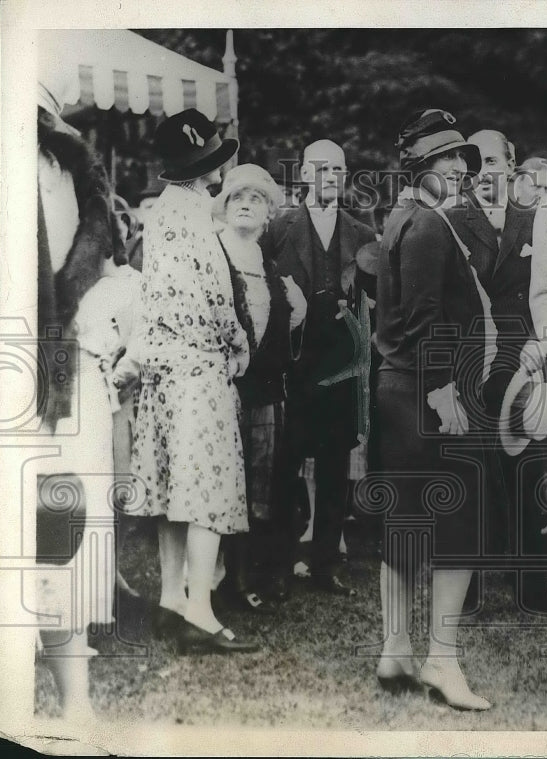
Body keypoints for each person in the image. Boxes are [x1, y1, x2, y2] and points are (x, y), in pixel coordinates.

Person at [123, 108, 258, 653]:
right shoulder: (200, 214)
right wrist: (238, 342)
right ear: (204, 169)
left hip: (161, 370)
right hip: (199, 368)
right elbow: (217, 293)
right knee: (206, 488)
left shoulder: (158, 214)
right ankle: (199, 609)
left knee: (171, 489)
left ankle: (171, 600)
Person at [374, 108, 493, 711]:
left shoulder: (404, 217)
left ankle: (395, 650)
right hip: (428, 392)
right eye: (445, 159)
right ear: (420, 166)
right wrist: (445, 394)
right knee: (456, 528)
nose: (458, 169)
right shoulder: (425, 226)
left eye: (461, 160)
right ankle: (442, 662)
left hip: (400, 391)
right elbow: (424, 318)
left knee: (403, 525)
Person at [34, 69, 122, 719]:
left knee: (65, 531)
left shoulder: (78, 180)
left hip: (69, 377)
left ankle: (76, 702)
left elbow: (101, 276)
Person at [263, 139, 378, 597]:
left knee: (335, 469)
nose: (331, 176)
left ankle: (327, 562)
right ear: (305, 174)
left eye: (338, 169)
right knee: (286, 466)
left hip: (342, 367)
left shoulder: (361, 232)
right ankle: (280, 559)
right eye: (321, 168)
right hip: (294, 365)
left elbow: (375, 299)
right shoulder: (280, 227)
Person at [463, 128, 547, 613]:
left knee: (526, 470)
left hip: (522, 364)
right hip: (471, 365)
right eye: (476, 162)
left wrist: (536, 340)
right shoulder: (452, 221)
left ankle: (532, 584)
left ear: (511, 164)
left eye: (494, 161)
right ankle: (467, 587)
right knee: (472, 474)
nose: (486, 171)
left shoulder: (536, 219)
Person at [212, 164, 307, 612]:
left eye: (255, 198)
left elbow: (280, 330)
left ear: (269, 211)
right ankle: (219, 579)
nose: (245, 204)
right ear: (225, 207)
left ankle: (249, 574)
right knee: (221, 482)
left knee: (262, 485)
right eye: (236, 197)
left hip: (266, 390)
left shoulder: (268, 265)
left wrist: (297, 310)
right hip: (220, 389)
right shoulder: (213, 255)